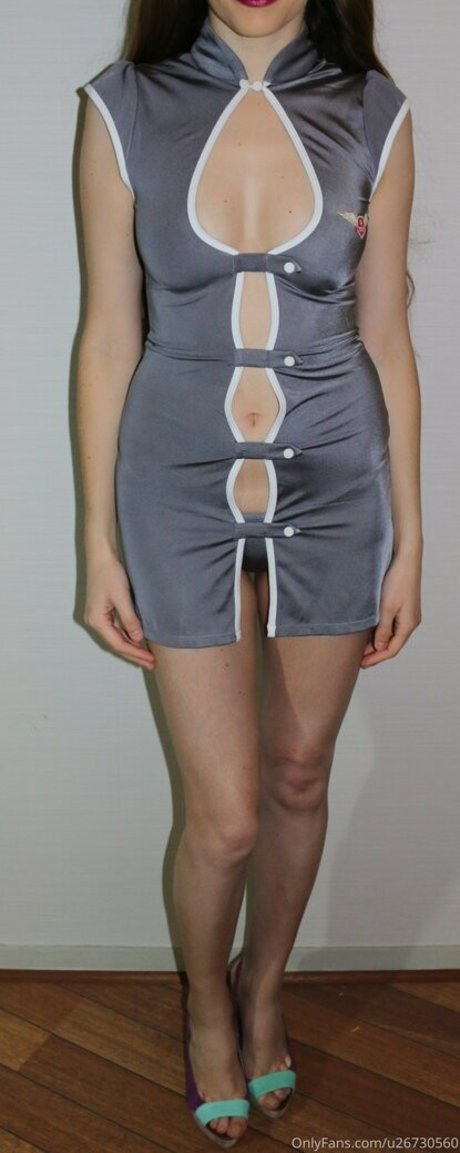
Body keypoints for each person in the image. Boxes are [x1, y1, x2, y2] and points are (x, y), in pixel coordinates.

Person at [76, 0, 422, 1145]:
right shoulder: (122, 108)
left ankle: (262, 990)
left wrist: (412, 537)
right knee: (223, 818)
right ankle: (204, 1006)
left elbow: (387, 333)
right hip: (174, 490)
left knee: (299, 776)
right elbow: (108, 335)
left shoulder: (374, 110)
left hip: (337, 486)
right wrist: (96, 540)